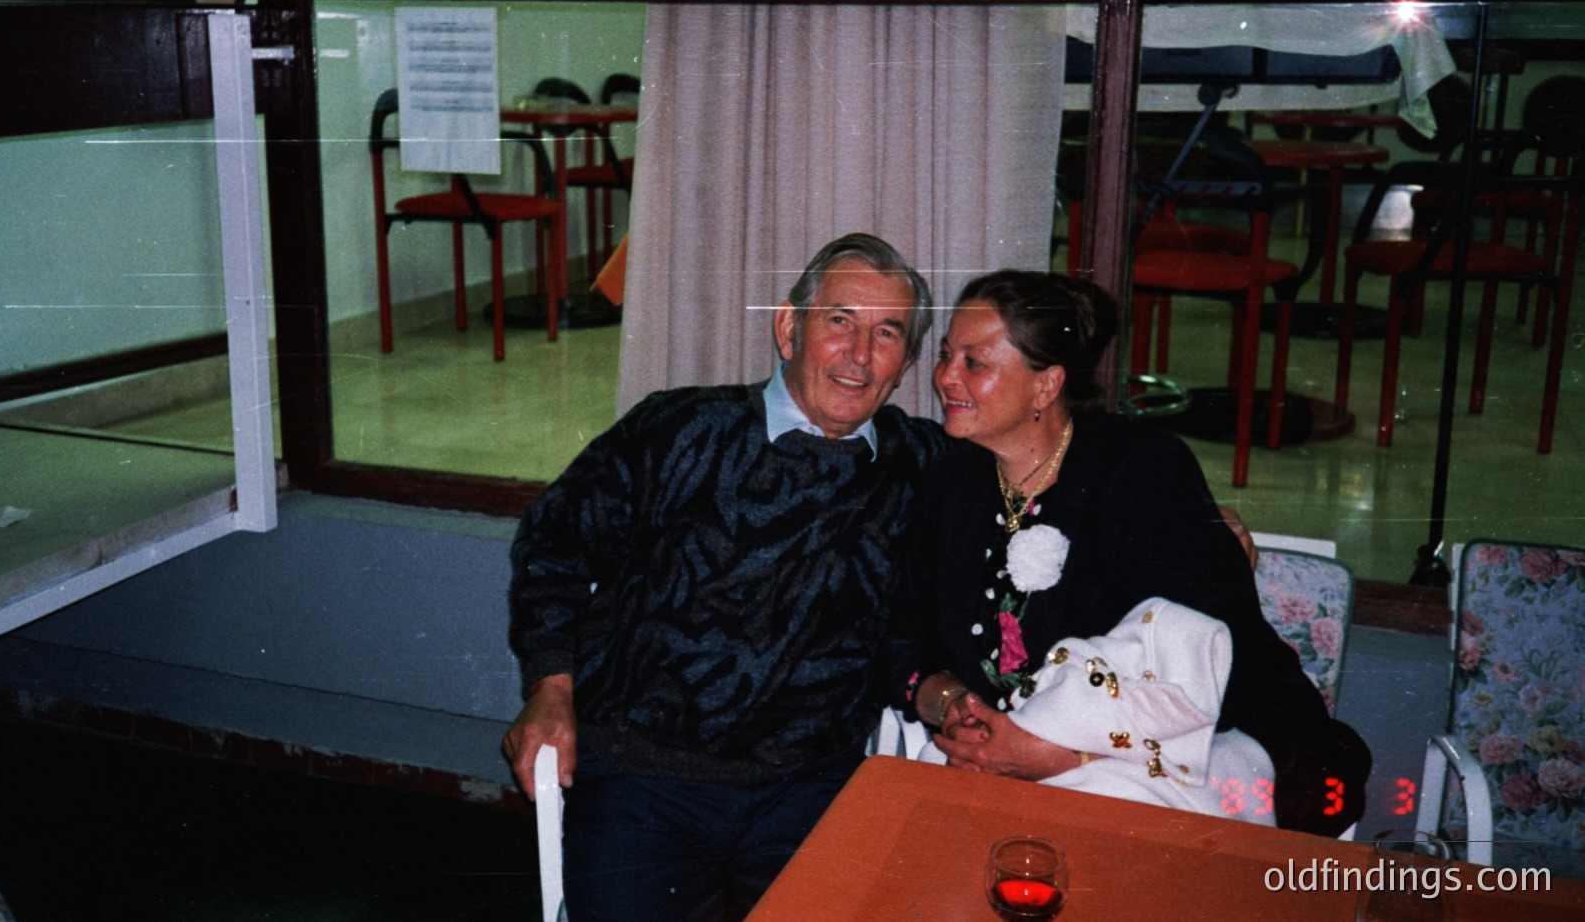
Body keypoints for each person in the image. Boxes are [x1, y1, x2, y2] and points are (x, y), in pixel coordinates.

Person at [505, 233, 947, 922]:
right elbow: (554, 541)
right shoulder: (680, 426)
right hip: (644, 778)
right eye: (838, 320)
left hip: (812, 786)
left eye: (886, 332)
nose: (859, 355)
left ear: (907, 361)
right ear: (787, 325)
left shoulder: (921, 464)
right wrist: (550, 687)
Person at [884, 269, 1370, 836]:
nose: (945, 376)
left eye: (975, 362)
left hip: (1176, 763)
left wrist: (1058, 755)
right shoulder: (950, 483)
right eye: (947, 355)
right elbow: (901, 635)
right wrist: (952, 704)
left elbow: (1212, 673)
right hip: (1002, 764)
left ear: (1046, 385)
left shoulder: (1141, 472)